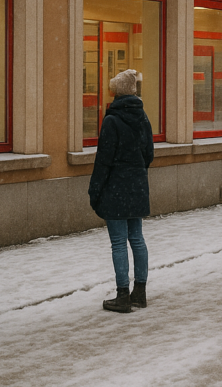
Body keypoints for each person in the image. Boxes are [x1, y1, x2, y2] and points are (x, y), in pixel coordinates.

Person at [89, 69, 155, 313]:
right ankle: (140, 292)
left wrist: (95, 190)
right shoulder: (143, 117)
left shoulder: (112, 120)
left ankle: (122, 296)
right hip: (136, 186)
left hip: (115, 188)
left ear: (117, 92)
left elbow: (103, 161)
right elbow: (149, 153)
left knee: (118, 242)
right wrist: (136, 171)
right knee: (136, 238)